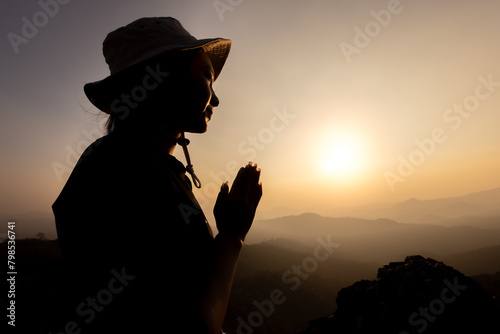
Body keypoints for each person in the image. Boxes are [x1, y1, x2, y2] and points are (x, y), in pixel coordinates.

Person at [51, 17, 262, 334]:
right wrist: (233, 237)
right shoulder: (126, 169)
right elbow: (197, 325)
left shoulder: (126, 160)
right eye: (207, 75)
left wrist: (222, 235)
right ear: (166, 78)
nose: (215, 98)